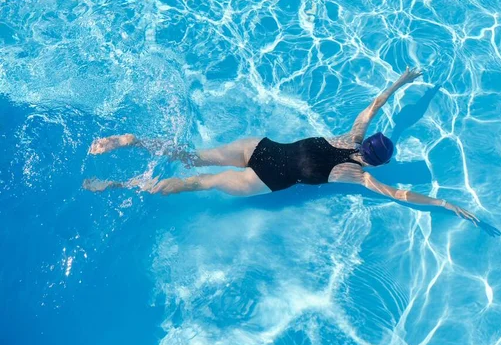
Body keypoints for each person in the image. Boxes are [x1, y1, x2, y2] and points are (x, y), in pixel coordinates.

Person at [85, 67, 479, 226]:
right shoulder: (358, 176)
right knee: (199, 183)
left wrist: (402, 82)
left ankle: (134, 141)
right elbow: (402, 194)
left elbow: (376, 106)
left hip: (261, 148)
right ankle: (117, 186)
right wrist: (446, 204)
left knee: (192, 157)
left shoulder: (352, 136)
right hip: (267, 178)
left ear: (370, 142)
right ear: (376, 162)